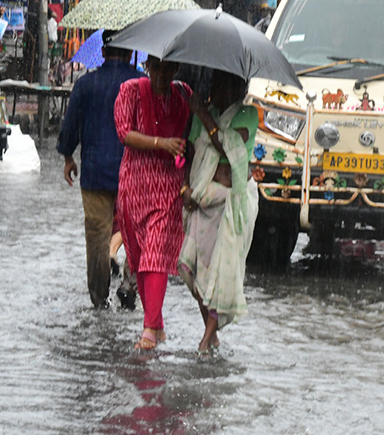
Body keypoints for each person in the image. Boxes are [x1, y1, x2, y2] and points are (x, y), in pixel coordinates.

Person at [56, 34, 142, 308]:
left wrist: (68, 157)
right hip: (134, 174)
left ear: (103, 51)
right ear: (130, 52)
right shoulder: (142, 85)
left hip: (94, 173)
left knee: (97, 237)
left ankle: (99, 299)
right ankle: (130, 285)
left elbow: (70, 128)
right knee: (137, 234)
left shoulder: (85, 85)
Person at [114, 56, 192, 350]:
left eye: (169, 68)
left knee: (155, 254)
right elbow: (124, 133)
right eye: (156, 67)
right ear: (147, 65)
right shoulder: (130, 91)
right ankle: (156, 325)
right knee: (140, 257)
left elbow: (193, 135)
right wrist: (161, 143)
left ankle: (148, 330)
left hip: (168, 187)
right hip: (135, 185)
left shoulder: (184, 95)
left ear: (176, 69)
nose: (162, 74)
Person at [178, 70, 259, 354]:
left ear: (238, 88)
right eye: (214, 83)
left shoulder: (249, 114)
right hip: (202, 197)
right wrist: (184, 187)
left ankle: (206, 339)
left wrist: (202, 113)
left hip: (231, 202)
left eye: (222, 84)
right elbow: (190, 151)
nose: (215, 89)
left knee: (221, 272)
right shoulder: (206, 113)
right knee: (191, 267)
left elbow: (226, 143)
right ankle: (210, 333)